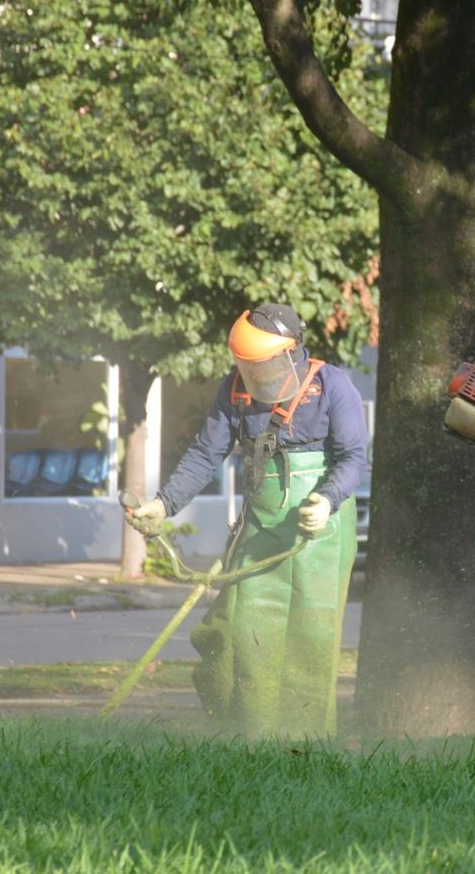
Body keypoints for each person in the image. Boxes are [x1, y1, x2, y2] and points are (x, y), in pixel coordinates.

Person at [128, 303, 368, 738]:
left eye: (264, 366)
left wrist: (326, 500)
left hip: (322, 533)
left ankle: (305, 744)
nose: (255, 376)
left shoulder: (332, 385)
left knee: (310, 640)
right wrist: (164, 504)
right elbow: (206, 454)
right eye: (248, 365)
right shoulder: (234, 391)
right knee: (245, 633)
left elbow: (354, 458)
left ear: (292, 354)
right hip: (260, 527)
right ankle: (249, 735)